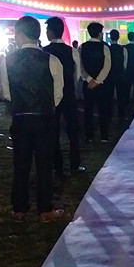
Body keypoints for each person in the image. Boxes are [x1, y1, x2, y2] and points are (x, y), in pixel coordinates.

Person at [0, 15, 64, 222]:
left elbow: (7, 93)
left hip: (20, 118)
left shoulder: (7, 60)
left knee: (21, 164)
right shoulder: (51, 60)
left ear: (19, 34)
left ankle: (19, 208)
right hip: (45, 118)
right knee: (45, 165)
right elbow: (58, 94)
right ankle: (45, 209)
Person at [43, 16, 84, 175]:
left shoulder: (44, 51)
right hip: (68, 94)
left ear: (51, 32)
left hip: (50, 96)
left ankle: (57, 164)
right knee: (73, 130)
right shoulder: (71, 51)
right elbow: (77, 75)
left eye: (47, 30)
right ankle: (75, 163)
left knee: (53, 130)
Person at [80, 21, 111, 142]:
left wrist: (89, 79)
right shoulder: (104, 47)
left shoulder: (82, 47)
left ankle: (89, 136)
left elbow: (80, 66)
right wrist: (98, 80)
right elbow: (107, 66)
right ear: (99, 34)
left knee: (88, 110)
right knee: (103, 110)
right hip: (101, 85)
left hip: (87, 84)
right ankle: (104, 136)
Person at [106, 28, 128, 121]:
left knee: (109, 97)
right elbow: (125, 64)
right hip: (120, 75)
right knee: (121, 97)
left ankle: (109, 116)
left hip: (109, 76)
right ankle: (121, 116)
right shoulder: (123, 49)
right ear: (118, 37)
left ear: (110, 37)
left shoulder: (106, 49)